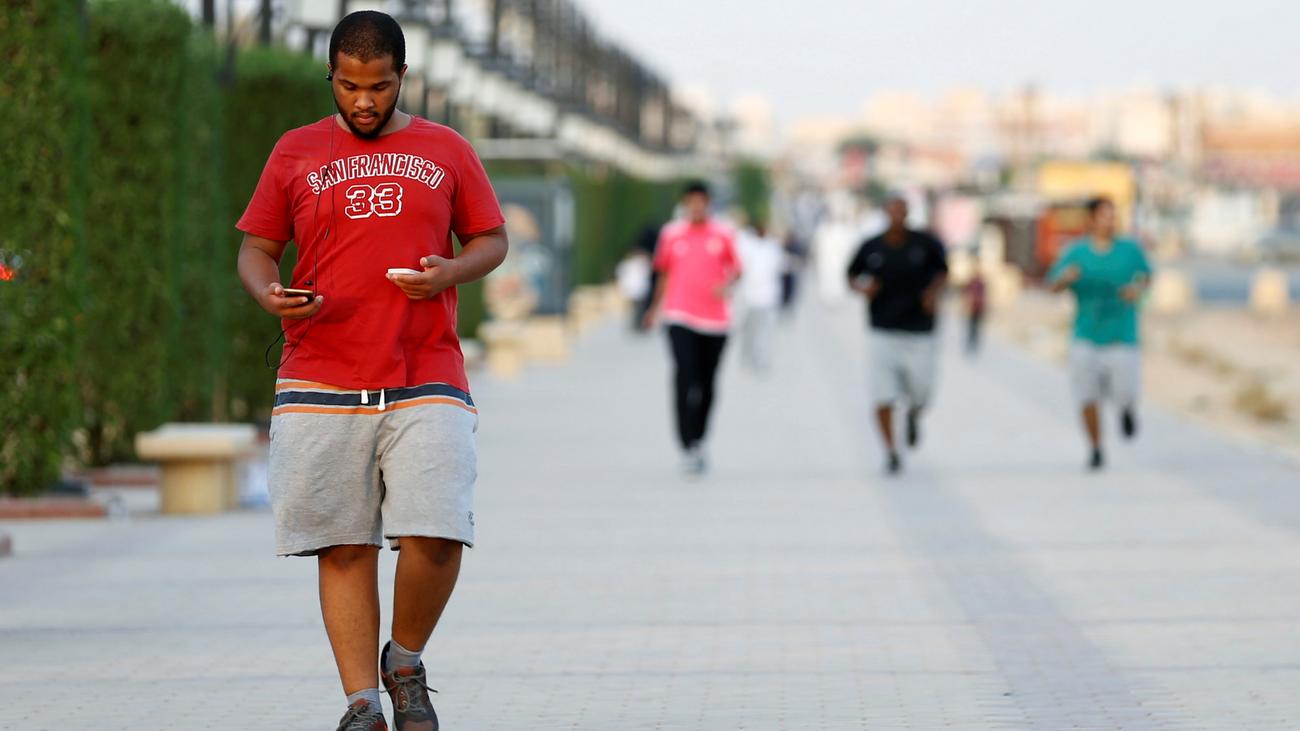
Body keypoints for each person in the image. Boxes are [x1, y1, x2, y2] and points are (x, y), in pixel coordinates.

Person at [235, 11, 508, 731]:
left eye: (380, 86)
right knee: (343, 544)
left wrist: (450, 270)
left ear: (402, 77)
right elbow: (257, 248)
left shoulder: (446, 148)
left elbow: (491, 237)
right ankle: (363, 704)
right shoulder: (294, 150)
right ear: (330, 76)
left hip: (427, 371)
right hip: (320, 375)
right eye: (349, 86)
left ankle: (405, 660)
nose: (363, 101)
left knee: (438, 535)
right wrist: (269, 292)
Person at [643, 181, 741, 475]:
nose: (696, 207)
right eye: (691, 202)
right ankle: (685, 442)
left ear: (708, 203)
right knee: (685, 376)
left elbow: (737, 268)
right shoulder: (671, 234)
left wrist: (727, 285)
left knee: (707, 383)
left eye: (701, 201)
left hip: (715, 321)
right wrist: (653, 309)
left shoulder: (723, 233)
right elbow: (663, 273)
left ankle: (699, 439)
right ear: (685, 204)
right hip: (679, 315)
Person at [1047, 196, 1152, 471]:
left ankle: (1126, 410)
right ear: (1091, 219)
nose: (1110, 221)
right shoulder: (1076, 252)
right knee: (1087, 396)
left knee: (1126, 391)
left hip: (1122, 336)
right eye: (1105, 215)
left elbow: (1146, 277)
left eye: (1113, 215)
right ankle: (1095, 448)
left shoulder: (1130, 250)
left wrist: (1137, 290)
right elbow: (1053, 285)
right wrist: (1066, 278)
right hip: (1086, 336)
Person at [846, 196, 948, 475]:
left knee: (922, 391)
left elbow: (943, 271)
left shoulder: (924, 244)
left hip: (919, 331)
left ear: (907, 214)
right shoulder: (871, 247)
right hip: (882, 330)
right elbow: (851, 275)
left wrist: (932, 293)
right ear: (885, 213)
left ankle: (914, 412)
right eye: (892, 212)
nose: (896, 217)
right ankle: (891, 451)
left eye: (901, 212)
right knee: (882, 395)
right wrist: (862, 288)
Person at [735, 221, 784, 373]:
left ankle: (762, 359)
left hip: (768, 297)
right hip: (750, 297)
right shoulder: (747, 246)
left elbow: (779, 266)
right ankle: (747, 357)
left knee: (765, 331)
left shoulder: (773, 247)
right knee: (749, 331)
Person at [965, 269, 987, 354]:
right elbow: (968, 294)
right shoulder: (973, 283)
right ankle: (970, 344)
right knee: (971, 327)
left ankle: (974, 344)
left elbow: (983, 296)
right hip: (973, 308)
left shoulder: (981, 284)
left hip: (978, 308)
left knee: (976, 327)